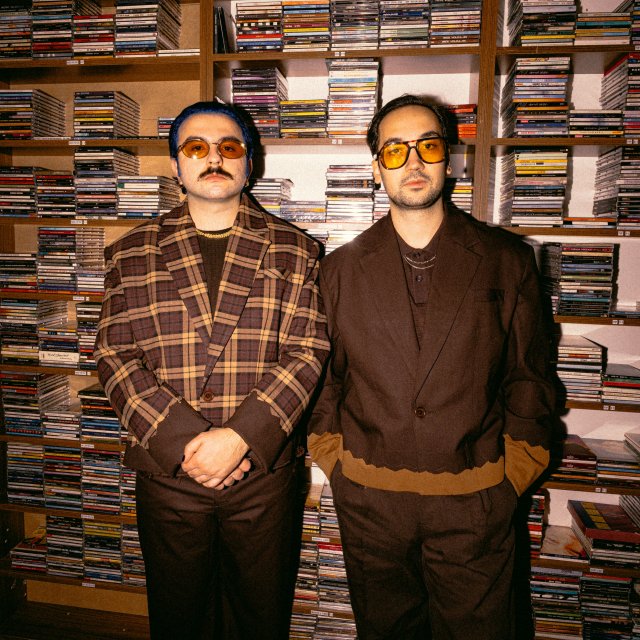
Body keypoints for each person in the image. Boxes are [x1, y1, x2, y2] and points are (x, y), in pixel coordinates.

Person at [307, 94, 556, 640]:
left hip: (477, 502)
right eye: (395, 150)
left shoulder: (507, 259)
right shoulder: (338, 270)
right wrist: (334, 461)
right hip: (370, 503)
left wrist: (513, 476)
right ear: (377, 168)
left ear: (451, 159)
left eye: (428, 146)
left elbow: (530, 376)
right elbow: (326, 379)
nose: (413, 162)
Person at [94, 100, 330, 640]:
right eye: (196, 147)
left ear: (250, 161)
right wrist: (186, 443)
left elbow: (307, 351)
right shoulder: (130, 253)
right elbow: (114, 356)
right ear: (176, 165)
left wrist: (240, 438)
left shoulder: (296, 251)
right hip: (169, 469)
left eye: (229, 147)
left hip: (262, 472)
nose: (214, 158)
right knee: (179, 618)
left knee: (260, 618)